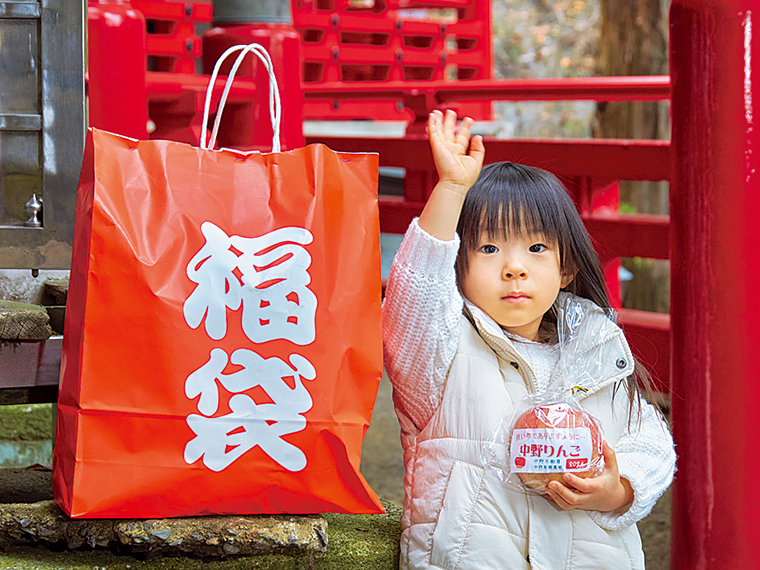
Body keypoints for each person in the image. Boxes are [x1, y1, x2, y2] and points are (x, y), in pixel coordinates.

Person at [382, 109, 676, 570]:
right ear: (457, 264)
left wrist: (620, 490)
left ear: (566, 269)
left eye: (536, 248)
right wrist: (451, 190)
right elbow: (415, 297)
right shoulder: (442, 351)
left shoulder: (598, 351)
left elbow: (650, 442)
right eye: (489, 247)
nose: (514, 267)